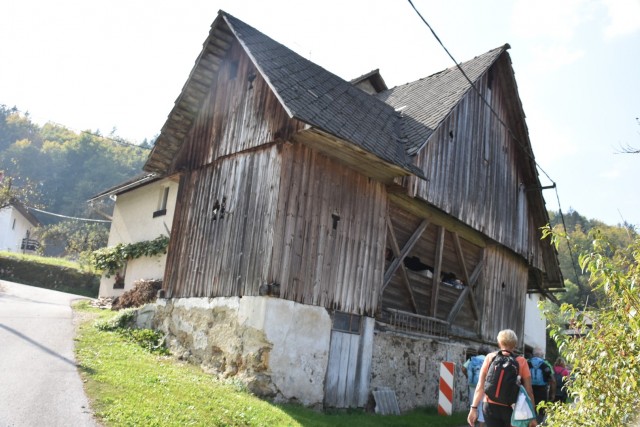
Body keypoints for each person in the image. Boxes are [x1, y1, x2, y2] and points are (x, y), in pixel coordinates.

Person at [467, 329, 537, 427]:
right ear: (515, 344)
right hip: (511, 407)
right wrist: (532, 415)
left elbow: (480, 386)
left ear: (499, 342)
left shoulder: (490, 357)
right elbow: (529, 390)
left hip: (489, 406)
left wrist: (473, 408)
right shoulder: (521, 361)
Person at [462, 348, 489, 427]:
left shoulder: (471, 359)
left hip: (472, 385)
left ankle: (472, 424)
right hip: (483, 385)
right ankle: (481, 425)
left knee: (473, 405)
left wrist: (467, 376)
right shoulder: (488, 360)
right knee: (482, 406)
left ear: (477, 352)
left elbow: (463, 368)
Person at [528, 347, 556, 423]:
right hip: (542, 391)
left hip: (529, 390)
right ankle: (538, 423)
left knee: (529, 410)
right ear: (541, 355)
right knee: (541, 411)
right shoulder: (546, 364)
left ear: (533, 354)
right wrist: (552, 394)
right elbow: (552, 380)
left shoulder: (527, 362)